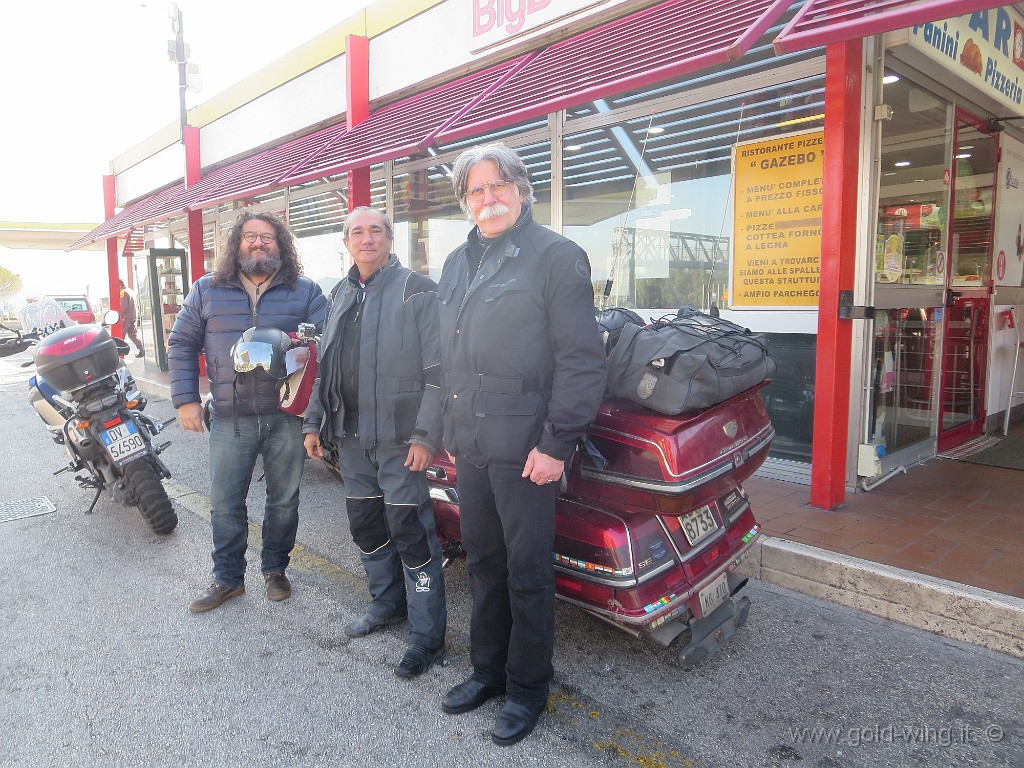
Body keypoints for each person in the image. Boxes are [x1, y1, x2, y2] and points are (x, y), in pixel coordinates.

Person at [436, 143, 606, 745]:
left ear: (523, 189)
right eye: (476, 191)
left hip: (527, 447)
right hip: (472, 443)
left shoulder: (556, 257)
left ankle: (529, 688)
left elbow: (581, 361)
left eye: (498, 186)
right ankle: (488, 672)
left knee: (527, 572)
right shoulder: (458, 261)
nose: (488, 199)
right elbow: (448, 354)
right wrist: (451, 434)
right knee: (482, 561)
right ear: (465, 201)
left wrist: (557, 444)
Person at [303, 207, 447, 679]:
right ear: (346, 242)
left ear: (389, 239)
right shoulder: (341, 293)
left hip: (401, 442)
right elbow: (324, 368)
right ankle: (386, 605)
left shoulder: (416, 290)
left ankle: (426, 637)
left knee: (411, 532)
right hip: (350, 440)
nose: (367, 239)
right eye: (357, 232)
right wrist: (312, 424)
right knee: (367, 528)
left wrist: (427, 435)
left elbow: (439, 373)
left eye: (376, 231)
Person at [168, 211, 327, 613]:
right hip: (229, 415)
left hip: (286, 416)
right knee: (224, 502)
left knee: (284, 500)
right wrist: (185, 399)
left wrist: (313, 406)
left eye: (268, 237)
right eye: (250, 236)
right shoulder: (207, 290)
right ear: (236, 243)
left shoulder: (305, 291)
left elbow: (328, 346)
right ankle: (227, 579)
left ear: (281, 245)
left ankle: (275, 569)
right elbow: (182, 344)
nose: (259, 243)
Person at [118, 279, 144, 357]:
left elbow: (123, 306)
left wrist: (118, 314)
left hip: (126, 317)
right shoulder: (130, 291)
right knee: (132, 335)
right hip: (133, 316)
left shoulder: (122, 293)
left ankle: (120, 353)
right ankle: (141, 349)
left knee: (120, 336)